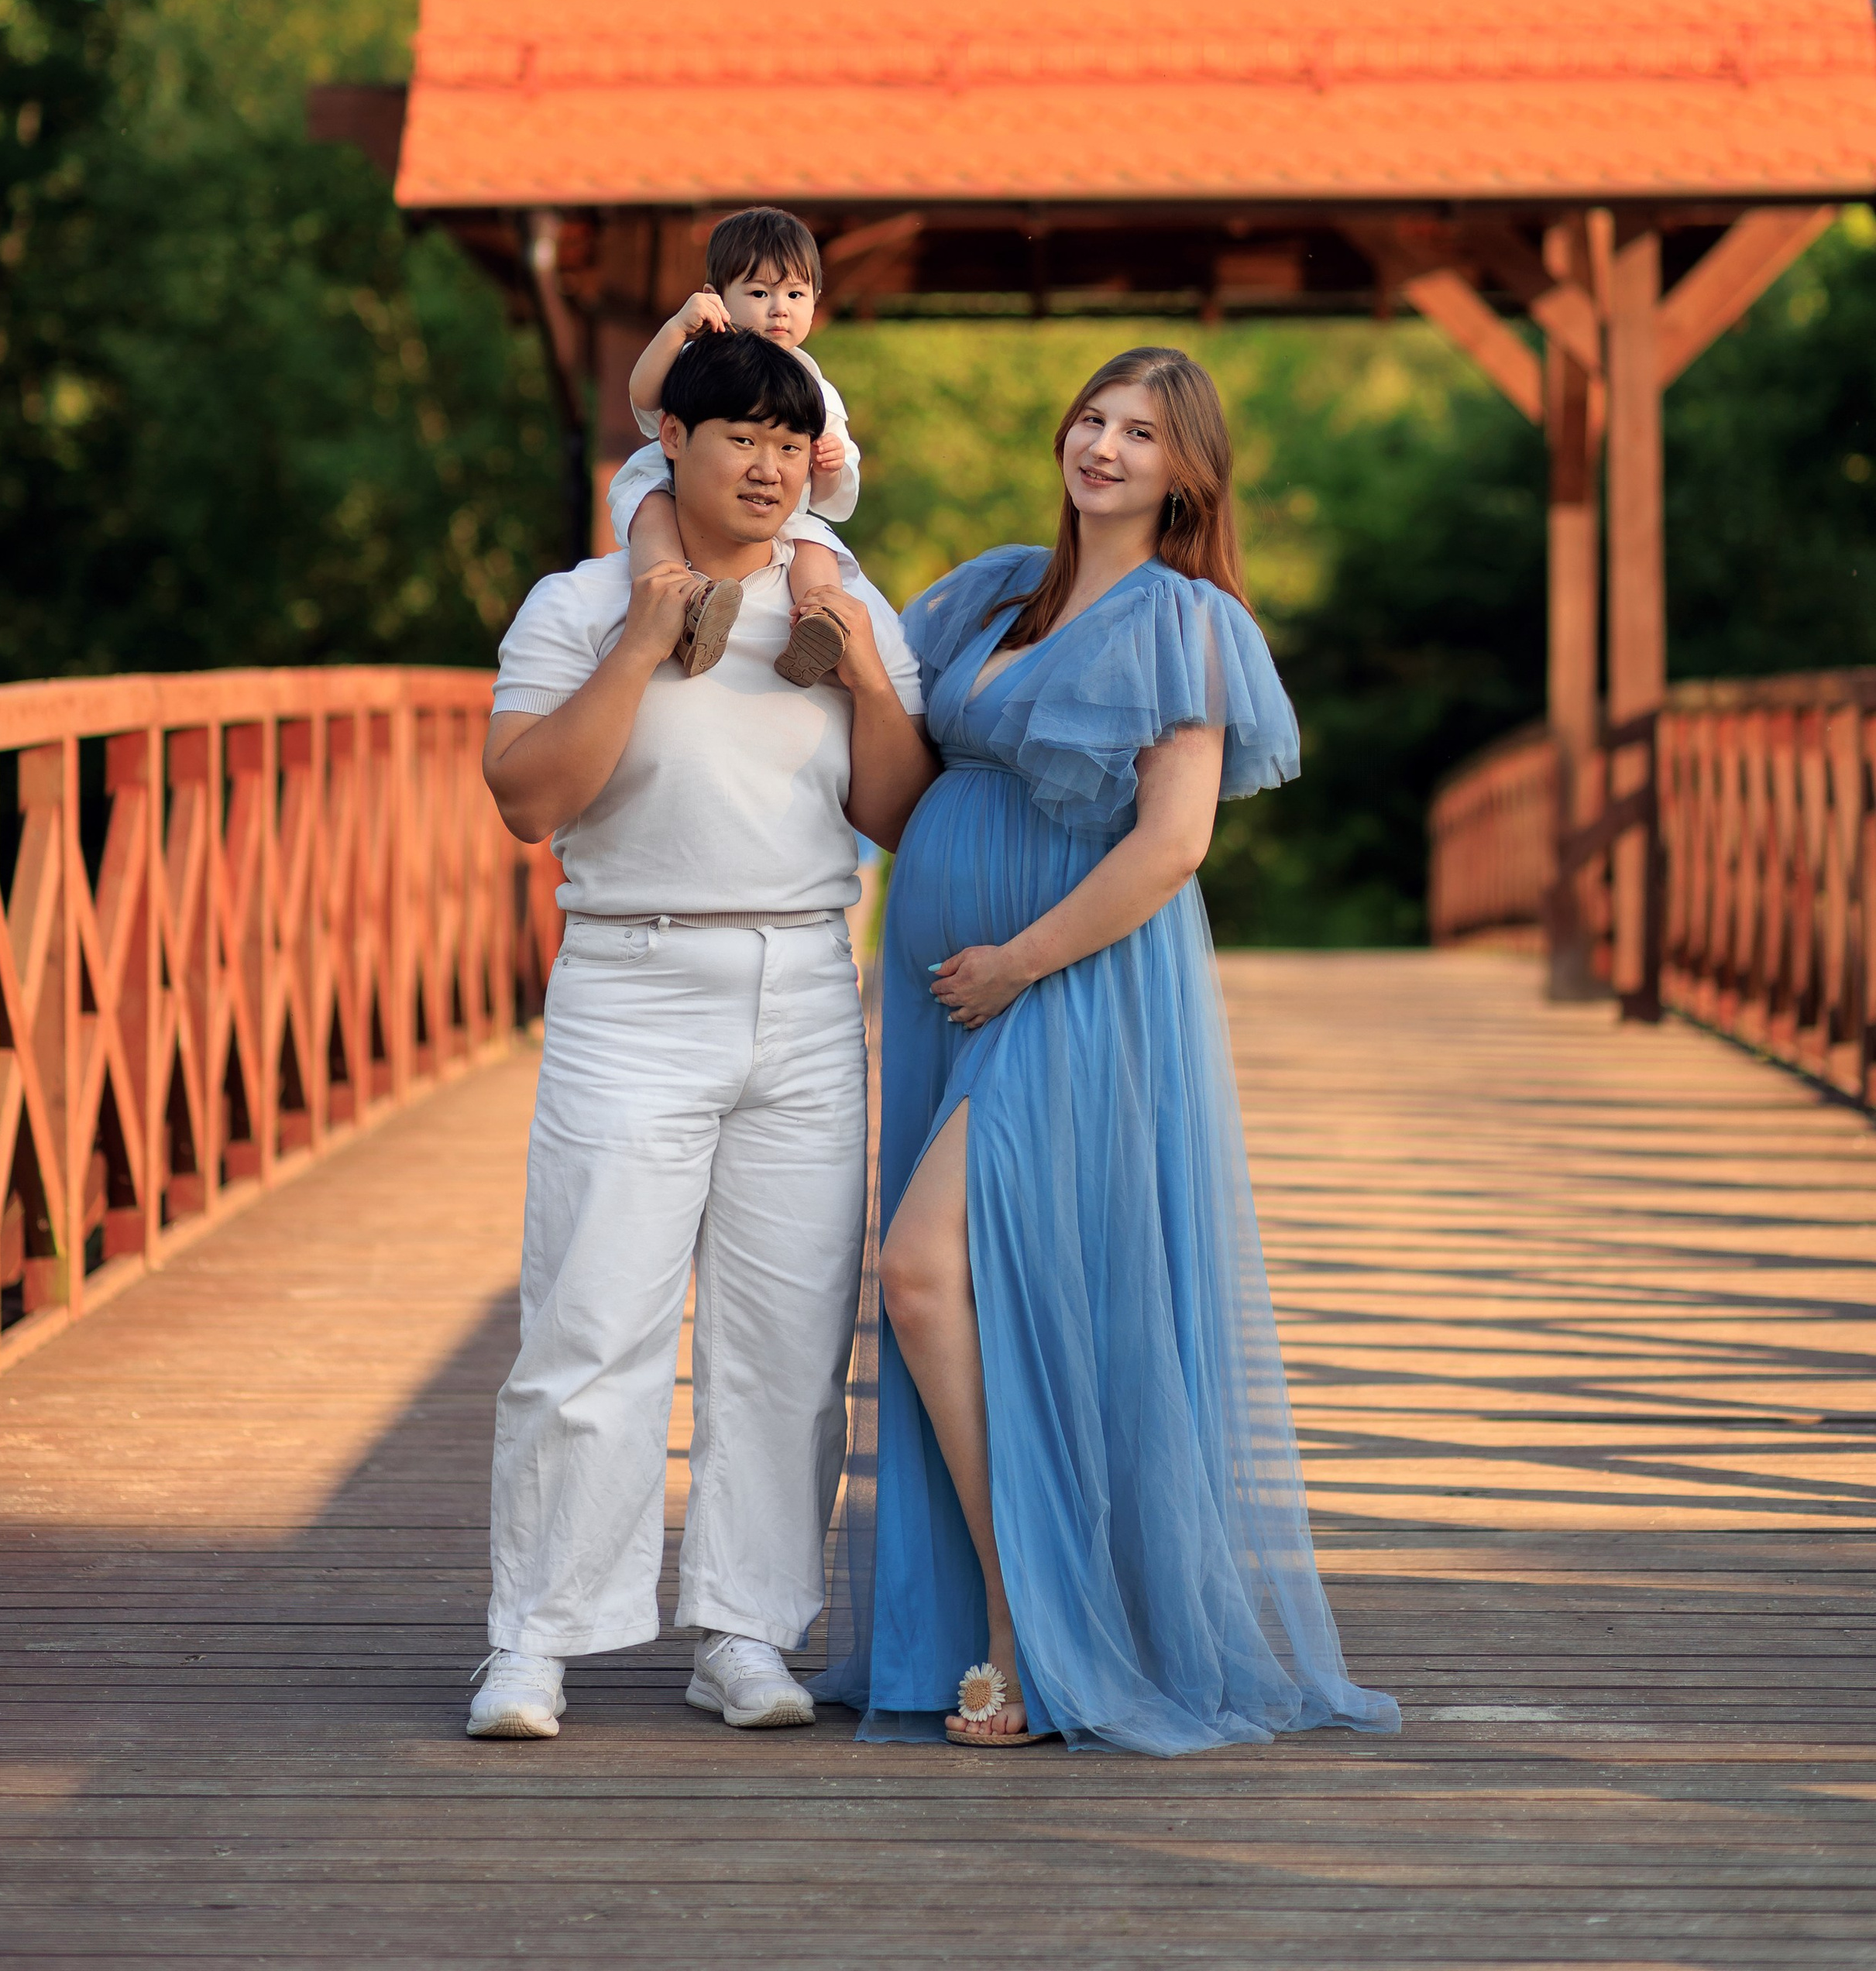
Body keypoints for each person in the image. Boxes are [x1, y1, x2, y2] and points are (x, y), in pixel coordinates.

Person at [816, 347, 1400, 1755]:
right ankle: (1003, 1623)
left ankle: (1026, 1629)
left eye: (1142, 432)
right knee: (992, 1293)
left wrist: (1019, 962)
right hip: (948, 985)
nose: (1106, 447)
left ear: (1187, 473)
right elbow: (900, 780)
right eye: (1092, 417)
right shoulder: (994, 593)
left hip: (1071, 980)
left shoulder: (1186, 621)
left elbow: (1174, 844)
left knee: (921, 1271)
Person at [470, 327, 933, 1743]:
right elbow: (527, 799)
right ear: (670, 441)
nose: (769, 467)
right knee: (589, 1324)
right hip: (632, 982)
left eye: (792, 445)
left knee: (790, 1342)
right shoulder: (577, 602)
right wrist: (639, 643)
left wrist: (865, 675)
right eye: (741, 437)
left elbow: (896, 812)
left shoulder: (846, 602)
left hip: (804, 987)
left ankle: (746, 1630)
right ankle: (538, 1641)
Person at [611, 208, 862, 688]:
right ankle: (675, 598)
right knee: (650, 507)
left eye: (795, 294)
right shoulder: (699, 358)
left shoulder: (815, 388)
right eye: (759, 293)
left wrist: (828, 467)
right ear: (715, 298)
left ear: (816, 301)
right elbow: (644, 396)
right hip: (677, 486)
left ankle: (820, 622)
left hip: (776, 509)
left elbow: (830, 496)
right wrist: (677, 329)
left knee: (815, 541)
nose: (779, 309)